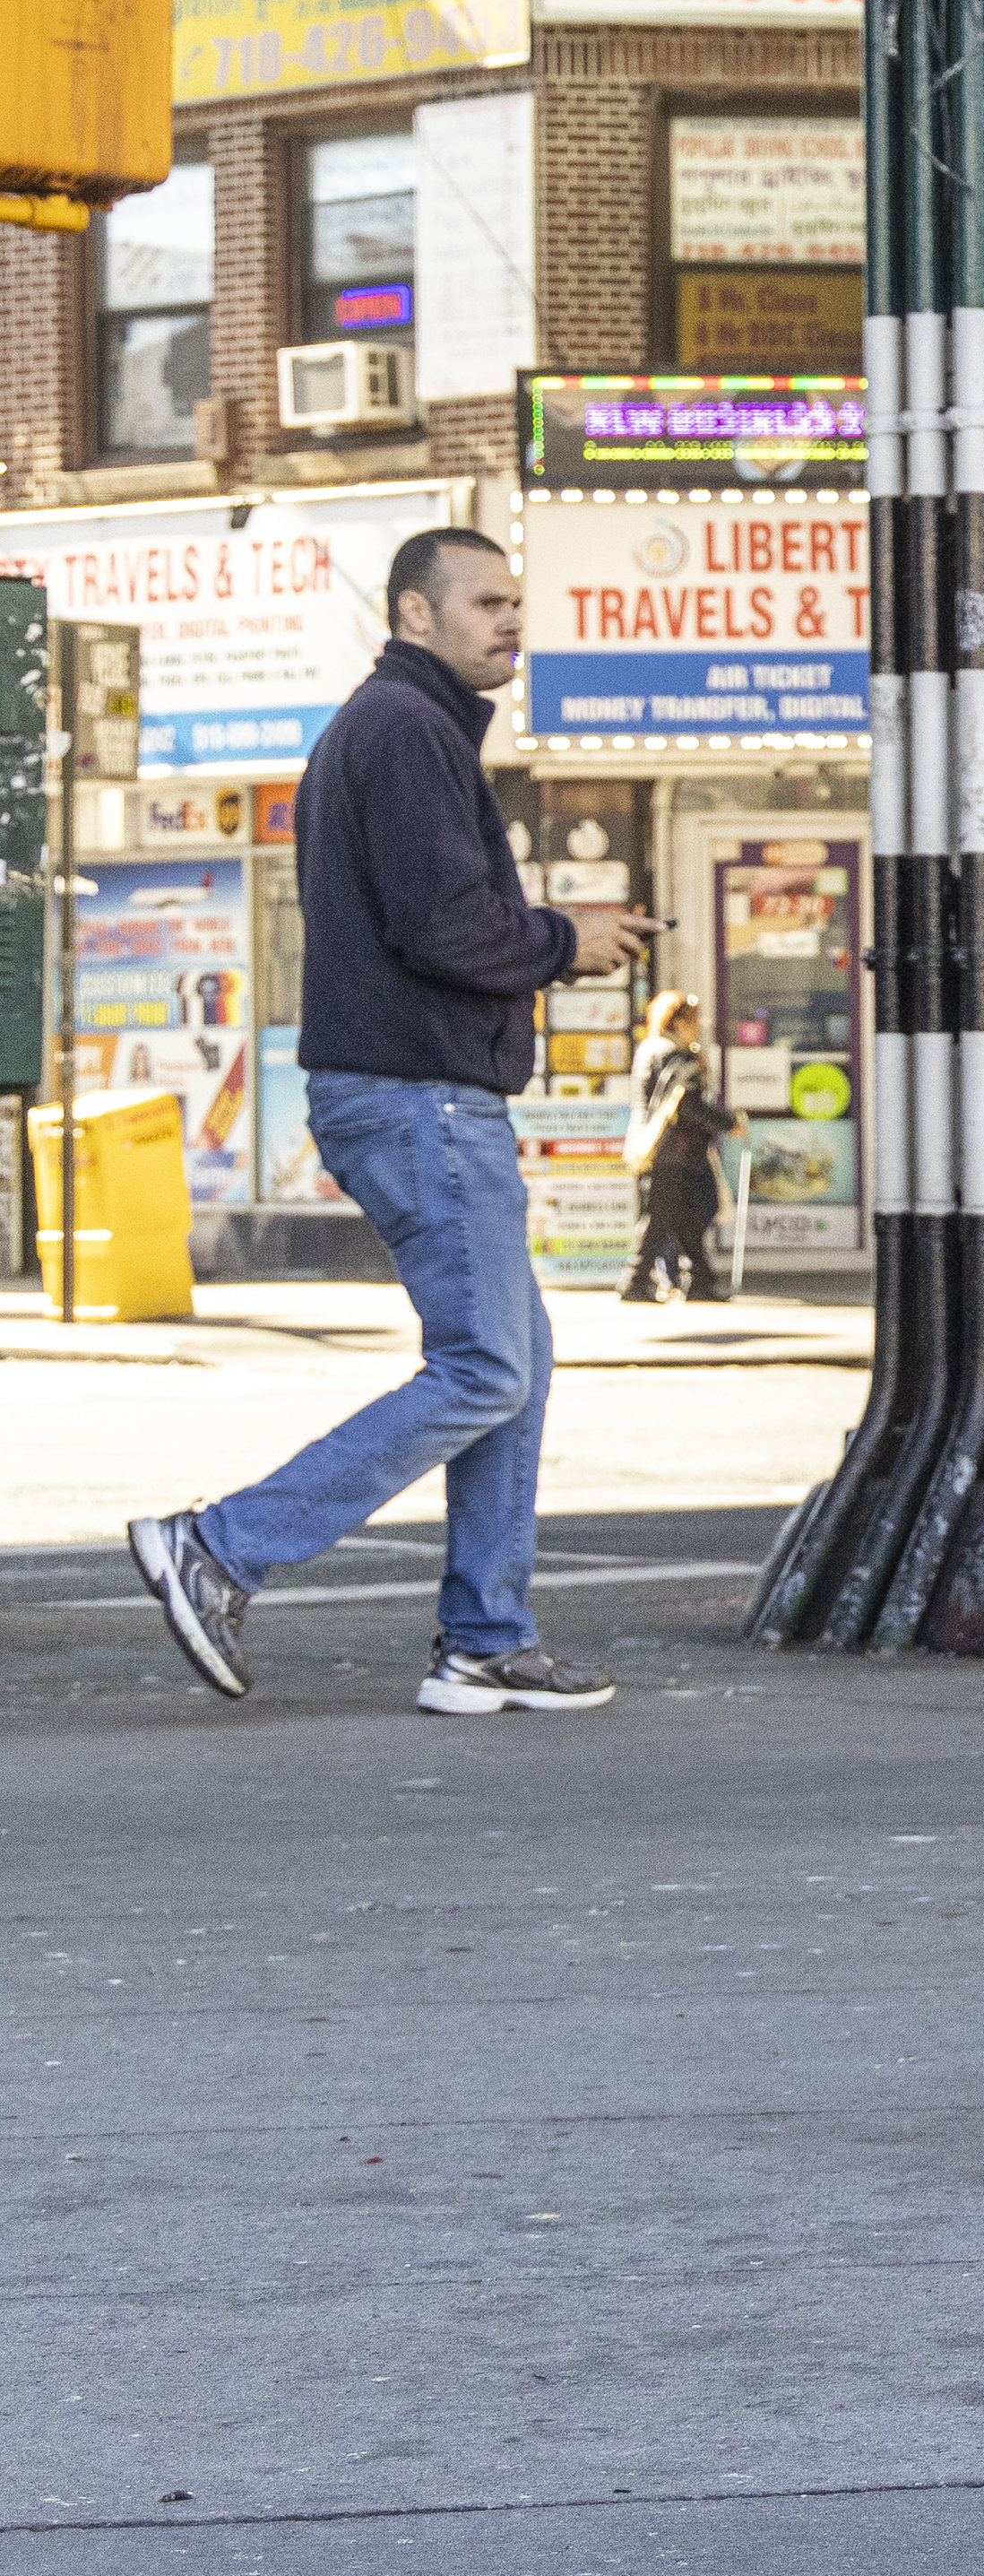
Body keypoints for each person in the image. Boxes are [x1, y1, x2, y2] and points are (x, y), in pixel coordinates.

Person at [126, 529, 662, 1710]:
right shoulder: (408, 730)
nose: (509, 621)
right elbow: (445, 927)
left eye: (517, 601)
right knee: (483, 1369)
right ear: (416, 613)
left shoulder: (400, 726)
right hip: (418, 1094)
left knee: (515, 1366)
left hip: (416, 1090)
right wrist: (571, 936)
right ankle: (221, 1546)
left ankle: (484, 1638)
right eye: (486, 601)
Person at [620, 991, 734, 1304]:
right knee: (661, 1218)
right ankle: (635, 1281)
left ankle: (701, 1281)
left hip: (650, 1146)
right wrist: (728, 1123)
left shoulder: (648, 1049)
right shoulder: (676, 1055)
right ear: (679, 1021)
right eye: (694, 1021)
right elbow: (687, 1104)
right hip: (675, 1149)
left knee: (681, 1218)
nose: (698, 1028)